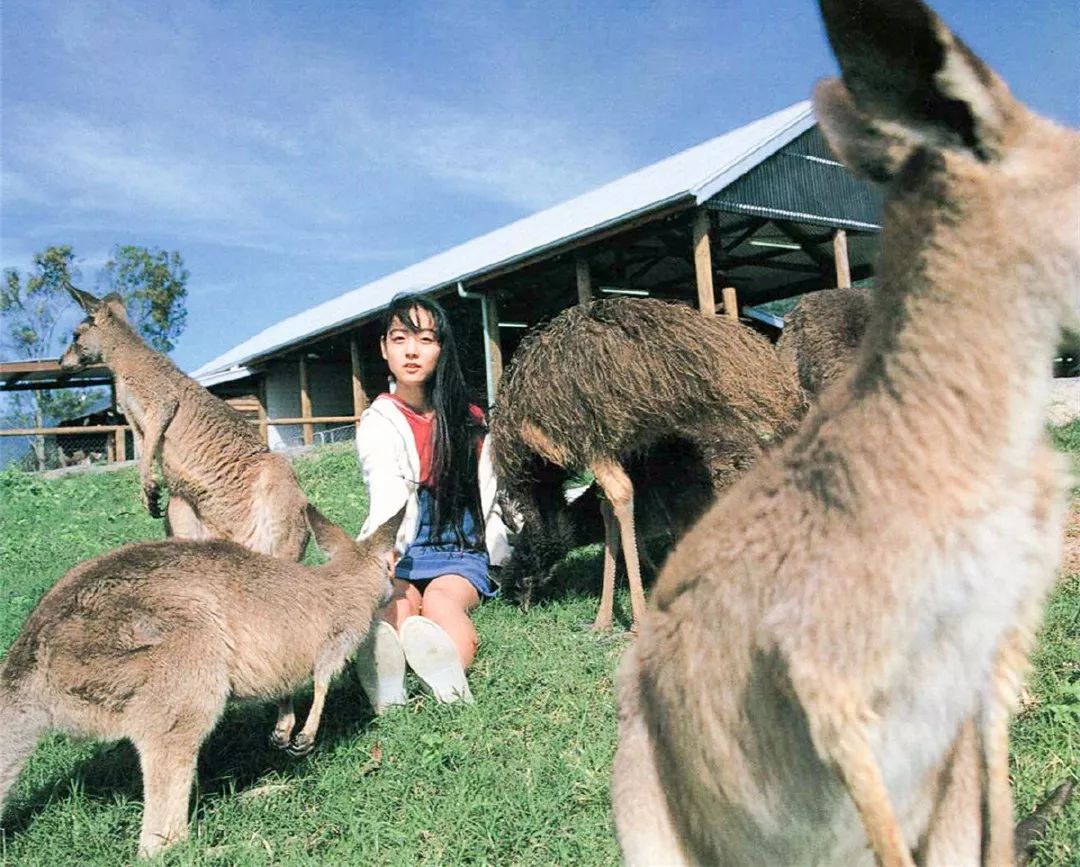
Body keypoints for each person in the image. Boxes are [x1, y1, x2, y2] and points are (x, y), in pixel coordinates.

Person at [353, 292, 511, 711]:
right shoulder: (379, 422)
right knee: (397, 605)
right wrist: (382, 546)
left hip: (459, 549)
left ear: (442, 349)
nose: (411, 351)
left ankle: (449, 680)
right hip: (404, 549)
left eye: (426, 339)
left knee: (442, 600)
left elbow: (493, 492)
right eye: (400, 338)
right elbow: (385, 488)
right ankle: (389, 682)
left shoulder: (470, 420)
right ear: (384, 348)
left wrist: (506, 547)